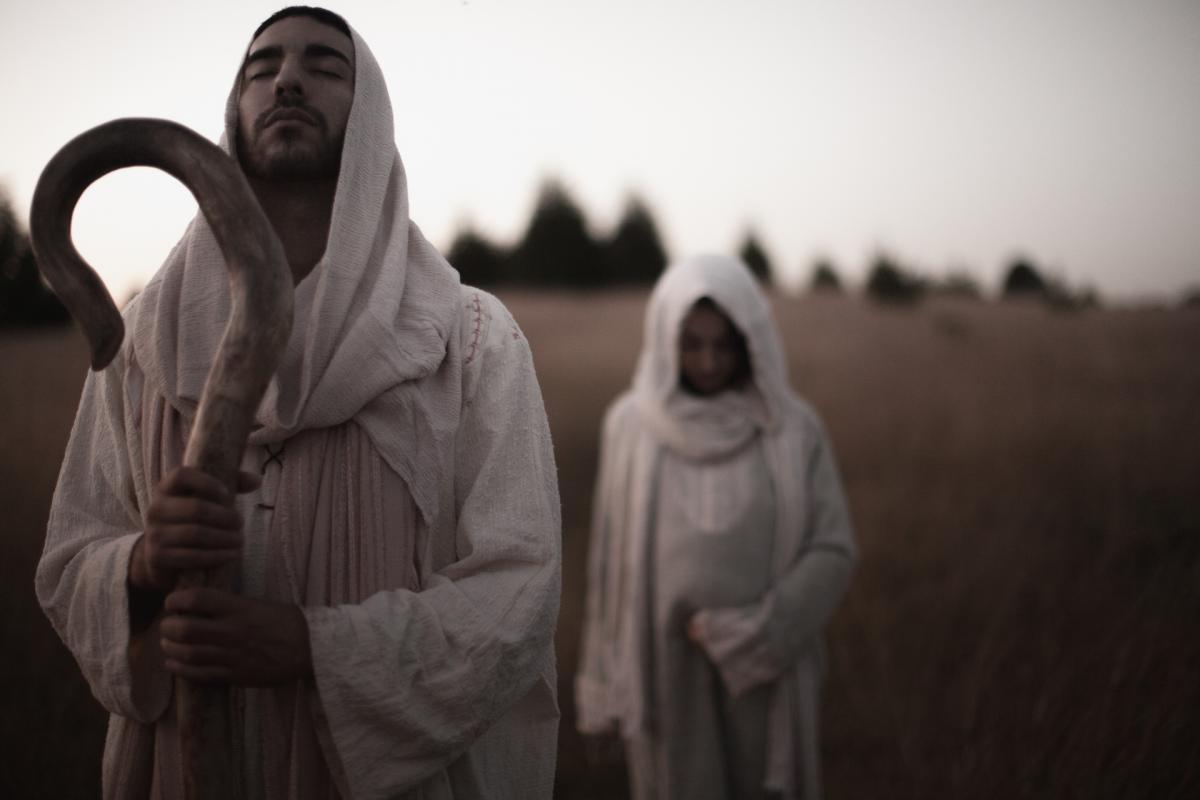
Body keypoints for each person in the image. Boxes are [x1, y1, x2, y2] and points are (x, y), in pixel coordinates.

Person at [36, 7, 561, 799]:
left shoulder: (468, 338)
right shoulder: (148, 340)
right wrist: (142, 566)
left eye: (324, 65)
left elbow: (518, 587)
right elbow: (72, 557)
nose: (286, 80)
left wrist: (313, 648)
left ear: (371, 115)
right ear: (234, 110)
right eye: (262, 68)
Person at [575, 255, 856, 800]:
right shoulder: (630, 426)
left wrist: (764, 631)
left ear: (751, 341)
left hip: (765, 675)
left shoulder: (793, 429)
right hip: (665, 674)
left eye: (724, 345)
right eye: (692, 343)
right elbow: (608, 563)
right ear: (665, 340)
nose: (708, 361)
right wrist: (603, 686)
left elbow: (834, 547)